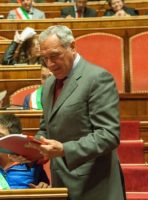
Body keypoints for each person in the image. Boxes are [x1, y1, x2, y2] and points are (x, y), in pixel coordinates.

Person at [29, 25, 126, 199]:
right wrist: (30, 149)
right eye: (44, 58)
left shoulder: (97, 78)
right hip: (62, 183)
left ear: (72, 47)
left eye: (54, 56)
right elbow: (46, 128)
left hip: (95, 185)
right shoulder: (49, 84)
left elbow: (108, 135)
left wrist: (65, 149)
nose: (50, 64)